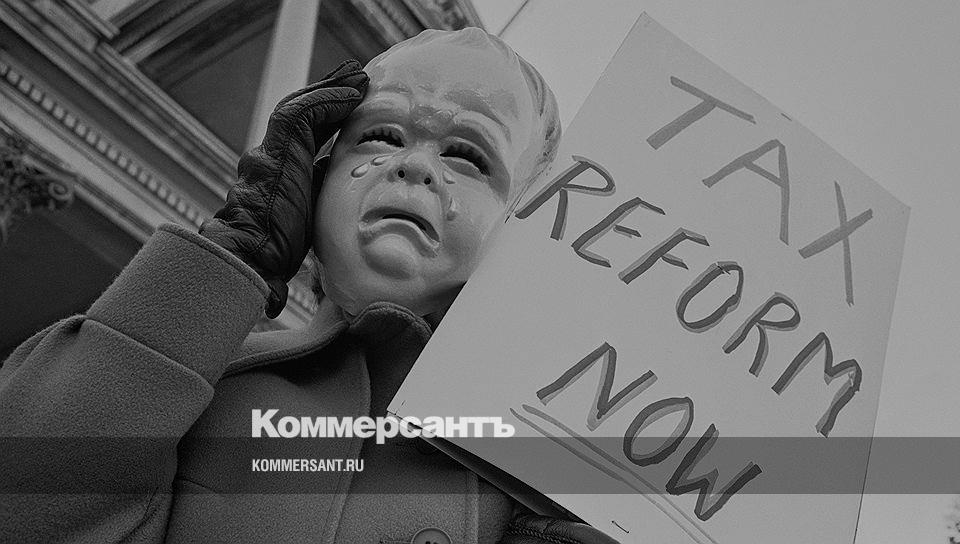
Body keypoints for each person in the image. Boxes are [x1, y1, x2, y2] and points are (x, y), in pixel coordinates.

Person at [0, 28, 619, 544]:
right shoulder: (201, 388)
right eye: (381, 136)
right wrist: (235, 251)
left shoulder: (539, 470)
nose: (414, 165)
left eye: (469, 156)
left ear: (521, 225)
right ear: (316, 177)